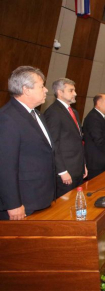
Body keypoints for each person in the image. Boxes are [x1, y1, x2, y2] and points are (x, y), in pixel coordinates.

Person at [0, 66, 56, 220]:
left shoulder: (37, 114)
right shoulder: (7, 118)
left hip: (42, 197)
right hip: (24, 202)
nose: (46, 90)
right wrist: (13, 204)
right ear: (26, 90)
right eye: (41, 86)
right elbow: (5, 166)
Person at [44, 78, 87, 198]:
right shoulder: (53, 112)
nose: (75, 93)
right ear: (60, 92)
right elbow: (53, 144)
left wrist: (83, 164)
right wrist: (62, 171)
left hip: (77, 168)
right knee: (65, 209)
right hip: (65, 170)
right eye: (71, 90)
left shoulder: (73, 111)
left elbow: (79, 141)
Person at [83, 94, 105, 180]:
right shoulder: (93, 117)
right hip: (96, 162)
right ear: (98, 103)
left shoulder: (101, 116)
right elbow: (98, 139)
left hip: (104, 159)